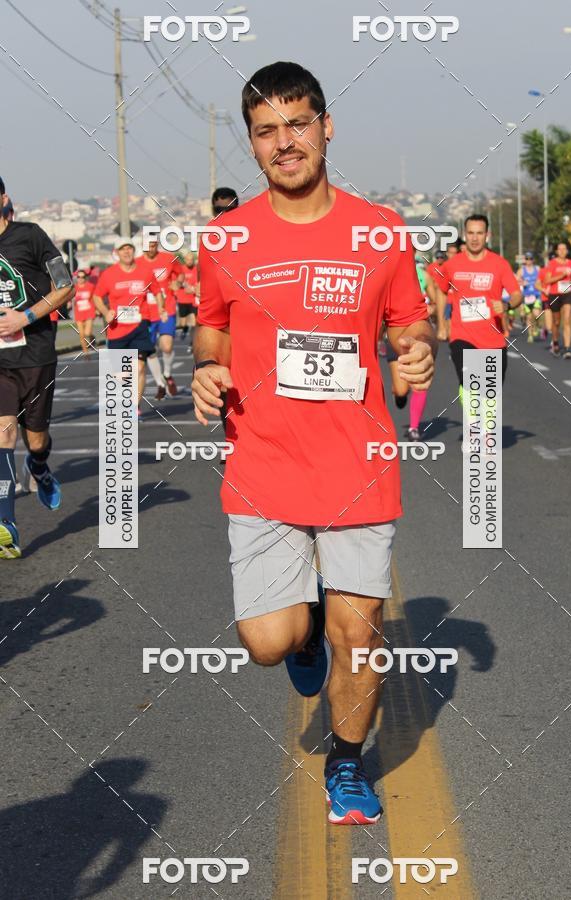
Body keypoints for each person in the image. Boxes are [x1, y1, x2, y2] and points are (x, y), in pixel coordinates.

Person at [192, 61, 435, 826]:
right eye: (267, 131)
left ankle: (348, 763)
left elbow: (409, 319)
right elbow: (213, 321)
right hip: (263, 461)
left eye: (297, 124)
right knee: (269, 642)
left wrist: (417, 349)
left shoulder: (380, 230)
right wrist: (206, 366)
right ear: (254, 145)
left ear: (326, 127)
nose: (284, 142)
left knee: (357, 635)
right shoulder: (227, 237)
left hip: (357, 465)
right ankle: (301, 638)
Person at [0, 180, 73, 559]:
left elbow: (65, 285)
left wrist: (24, 317)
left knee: (37, 438)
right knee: (2, 431)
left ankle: (40, 466)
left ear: (3, 199)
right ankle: (6, 524)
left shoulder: (29, 236)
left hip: (37, 353)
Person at [436, 214, 521, 402]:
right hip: (462, 335)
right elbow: (441, 291)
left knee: (490, 395)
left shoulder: (499, 264)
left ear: (487, 235)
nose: (475, 238)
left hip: (493, 339)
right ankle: (474, 425)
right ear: (465, 235)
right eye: (471, 233)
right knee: (470, 382)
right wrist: (442, 325)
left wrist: (506, 305)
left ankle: (485, 429)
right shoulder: (452, 265)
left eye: (479, 233)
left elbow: (517, 295)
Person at [93, 238, 162, 417]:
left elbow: (157, 291)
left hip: (140, 324)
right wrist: (106, 311)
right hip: (117, 329)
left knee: (139, 368)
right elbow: (97, 297)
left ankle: (134, 407)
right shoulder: (108, 274)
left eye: (129, 249)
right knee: (122, 375)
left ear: (134, 251)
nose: (127, 252)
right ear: (117, 253)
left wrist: (161, 309)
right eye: (122, 249)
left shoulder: (146, 272)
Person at [386, 258, 436, 440]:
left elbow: (434, 300)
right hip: (395, 334)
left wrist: (431, 309)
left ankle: (414, 427)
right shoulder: (388, 270)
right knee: (401, 390)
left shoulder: (423, 275)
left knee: (418, 380)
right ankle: (399, 395)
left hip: (417, 330)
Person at [206, 187, 240, 433]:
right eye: (219, 210)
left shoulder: (251, 230)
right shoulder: (209, 234)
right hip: (220, 318)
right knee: (220, 379)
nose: (224, 215)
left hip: (246, 315)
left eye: (229, 209)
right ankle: (229, 431)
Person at [140, 239, 182, 396]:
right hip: (146, 313)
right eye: (148, 245)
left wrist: (178, 283)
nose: (151, 248)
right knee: (149, 350)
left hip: (166, 308)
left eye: (154, 245)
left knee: (166, 346)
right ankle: (159, 383)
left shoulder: (168, 258)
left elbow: (181, 275)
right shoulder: (137, 263)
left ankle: (167, 373)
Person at [543, 241, 571, 358]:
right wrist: (561, 276)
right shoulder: (552, 263)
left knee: (566, 321)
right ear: (556, 251)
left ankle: (567, 349)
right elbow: (547, 280)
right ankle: (555, 342)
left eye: (564, 249)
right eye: (560, 249)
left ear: (567, 251)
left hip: (567, 294)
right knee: (556, 322)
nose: (562, 251)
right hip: (554, 295)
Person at [516, 252, 541, 343]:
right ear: (525, 260)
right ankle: (530, 335)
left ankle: (537, 326)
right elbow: (516, 281)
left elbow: (543, 278)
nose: (528, 261)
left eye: (530, 259)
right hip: (526, 296)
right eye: (527, 259)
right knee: (529, 317)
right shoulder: (521, 270)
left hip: (536, 295)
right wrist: (522, 283)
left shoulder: (537, 269)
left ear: (533, 260)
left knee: (537, 314)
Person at [176, 251, 199, 344]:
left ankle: (192, 342)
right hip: (182, 299)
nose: (190, 261)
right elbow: (176, 283)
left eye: (191, 260)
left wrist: (193, 289)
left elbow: (199, 283)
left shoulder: (197, 269)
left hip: (193, 299)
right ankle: (184, 330)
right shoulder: (180, 270)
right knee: (183, 322)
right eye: (188, 259)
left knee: (194, 321)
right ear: (184, 260)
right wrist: (183, 285)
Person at [72, 269, 96, 357]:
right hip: (78, 313)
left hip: (89, 311)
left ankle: (91, 337)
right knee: (81, 335)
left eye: (83, 277)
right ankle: (86, 353)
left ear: (86, 278)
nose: (81, 279)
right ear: (76, 278)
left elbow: (94, 298)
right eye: (79, 277)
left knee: (87, 333)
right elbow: (71, 300)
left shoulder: (90, 286)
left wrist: (97, 309)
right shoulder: (74, 288)